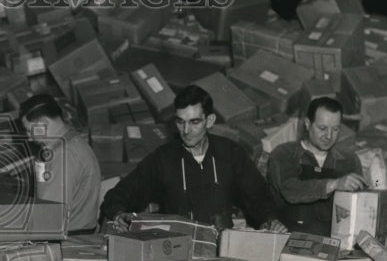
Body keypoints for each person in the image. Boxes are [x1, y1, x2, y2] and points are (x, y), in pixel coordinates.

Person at [101, 84, 287, 233]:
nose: (186, 131)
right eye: (180, 122)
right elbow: (122, 193)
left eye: (194, 122)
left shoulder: (230, 153)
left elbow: (258, 196)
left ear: (210, 120)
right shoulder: (164, 159)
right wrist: (118, 213)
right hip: (177, 249)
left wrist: (270, 220)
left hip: (221, 246)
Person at [267, 96, 366, 235]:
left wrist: (382, 219)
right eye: (322, 128)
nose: (329, 136)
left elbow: (362, 205)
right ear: (307, 124)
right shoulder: (284, 154)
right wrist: (334, 184)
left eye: (336, 129)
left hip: (335, 244)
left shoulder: (349, 160)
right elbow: (289, 189)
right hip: (289, 239)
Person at [19, 93, 102, 234]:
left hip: (68, 240)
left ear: (44, 123)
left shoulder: (63, 157)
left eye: (29, 130)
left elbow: (48, 218)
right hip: (77, 232)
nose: (29, 138)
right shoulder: (74, 141)